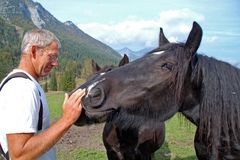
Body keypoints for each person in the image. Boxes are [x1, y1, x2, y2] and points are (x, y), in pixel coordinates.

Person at [0, 29, 85, 160]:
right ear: (33, 51)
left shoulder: (21, 83)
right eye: (51, 56)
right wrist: (67, 119)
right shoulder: (22, 88)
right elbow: (19, 155)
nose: (55, 63)